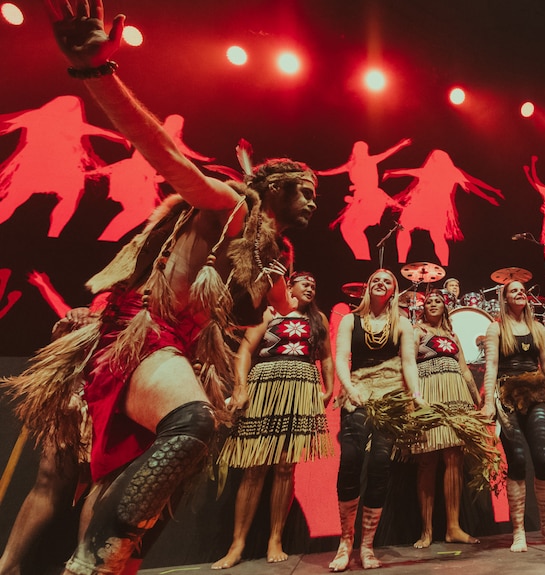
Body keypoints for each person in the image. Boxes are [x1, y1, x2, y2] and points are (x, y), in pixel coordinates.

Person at [8, 3, 320, 573]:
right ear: (272, 188)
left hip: (178, 351)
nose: (312, 202)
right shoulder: (227, 205)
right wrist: (97, 72)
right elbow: (167, 155)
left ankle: (101, 563)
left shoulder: (272, 253)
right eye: (303, 190)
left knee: (122, 474)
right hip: (139, 337)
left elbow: (264, 319)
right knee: (181, 427)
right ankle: (81, 561)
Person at [212, 272, 333, 569]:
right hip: (265, 386)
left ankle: (275, 538)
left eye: (314, 284)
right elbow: (244, 351)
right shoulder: (269, 314)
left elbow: (327, 357)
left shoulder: (319, 320)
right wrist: (240, 388)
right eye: (304, 282)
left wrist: (329, 389)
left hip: (301, 387)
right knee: (255, 468)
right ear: (289, 287)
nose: (311, 286)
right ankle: (237, 544)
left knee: (284, 467)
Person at [330, 269, 424, 571]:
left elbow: (408, 362)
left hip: (391, 394)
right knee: (351, 458)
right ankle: (346, 541)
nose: (381, 283)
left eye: (388, 281)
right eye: (376, 280)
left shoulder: (403, 323)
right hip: (358, 390)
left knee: (381, 462)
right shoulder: (349, 320)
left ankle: (367, 546)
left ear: (394, 290)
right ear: (368, 286)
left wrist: (416, 395)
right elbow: (341, 358)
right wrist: (349, 388)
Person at [0, 308, 98, 575]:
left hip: (121, 369)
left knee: (101, 482)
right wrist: (80, 318)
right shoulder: (118, 278)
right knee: (48, 476)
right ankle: (8, 565)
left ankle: (83, 570)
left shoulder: (159, 276)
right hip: (83, 370)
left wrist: (106, 322)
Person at [480, 280, 545, 552]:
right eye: (513, 291)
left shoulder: (537, 328)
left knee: (544, 459)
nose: (520, 293)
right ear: (505, 299)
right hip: (506, 396)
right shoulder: (496, 328)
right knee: (517, 460)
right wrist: (488, 403)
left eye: (522, 290)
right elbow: (491, 366)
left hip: (535, 395)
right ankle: (518, 531)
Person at [411, 290, 481, 549]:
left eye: (437, 301)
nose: (432, 304)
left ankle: (453, 527)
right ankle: (426, 530)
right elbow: (406, 362)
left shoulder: (452, 336)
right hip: (428, 393)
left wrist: (477, 400)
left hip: (456, 395)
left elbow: (464, 369)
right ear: (423, 308)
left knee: (454, 457)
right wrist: (414, 397)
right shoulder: (416, 331)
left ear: (445, 307)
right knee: (427, 459)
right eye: (428, 301)